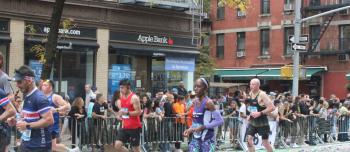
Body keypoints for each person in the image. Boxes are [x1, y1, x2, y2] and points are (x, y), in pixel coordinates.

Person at [7, 65, 54, 151]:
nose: (17, 85)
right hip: (27, 144)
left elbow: (49, 120)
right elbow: (29, 117)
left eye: (19, 82)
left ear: (29, 81)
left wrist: (27, 125)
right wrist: (15, 120)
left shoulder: (39, 97)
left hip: (39, 146)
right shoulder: (28, 96)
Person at [183, 78, 224, 152]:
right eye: (195, 86)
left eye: (198, 86)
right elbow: (196, 121)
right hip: (195, 138)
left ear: (205, 88)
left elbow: (220, 121)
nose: (195, 89)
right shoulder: (195, 101)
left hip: (207, 139)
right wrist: (189, 129)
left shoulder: (208, 102)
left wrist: (203, 127)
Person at [41, 80, 78, 152]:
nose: (43, 86)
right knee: (51, 146)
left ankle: (70, 150)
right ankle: (71, 150)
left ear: (51, 87)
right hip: (42, 124)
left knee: (51, 146)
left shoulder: (55, 97)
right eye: (43, 85)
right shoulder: (41, 97)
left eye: (45, 85)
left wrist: (56, 110)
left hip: (52, 126)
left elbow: (67, 106)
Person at [245, 78, 275, 152]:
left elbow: (272, 107)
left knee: (265, 143)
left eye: (253, 84)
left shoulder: (262, 94)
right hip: (253, 122)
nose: (251, 86)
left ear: (258, 85)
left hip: (262, 123)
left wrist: (260, 113)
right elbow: (251, 107)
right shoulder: (250, 93)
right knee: (249, 139)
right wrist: (249, 115)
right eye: (250, 84)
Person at [115, 79, 142, 152]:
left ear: (128, 87)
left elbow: (139, 112)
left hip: (134, 127)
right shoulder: (121, 96)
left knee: (136, 149)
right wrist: (118, 115)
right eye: (120, 87)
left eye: (122, 88)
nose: (121, 90)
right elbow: (123, 109)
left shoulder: (134, 98)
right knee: (117, 145)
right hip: (125, 126)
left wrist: (127, 113)